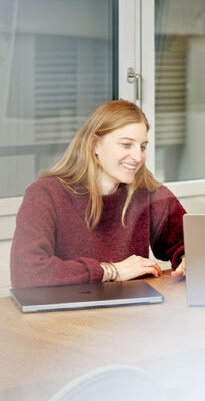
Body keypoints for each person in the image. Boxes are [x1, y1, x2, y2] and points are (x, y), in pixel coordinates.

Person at [10, 100, 186, 288]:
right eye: (126, 145)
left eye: (142, 147)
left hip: (132, 312)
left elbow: (191, 242)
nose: (138, 157)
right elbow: (26, 272)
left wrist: (188, 258)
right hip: (65, 314)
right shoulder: (45, 194)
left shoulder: (147, 192)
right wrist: (111, 271)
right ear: (94, 144)